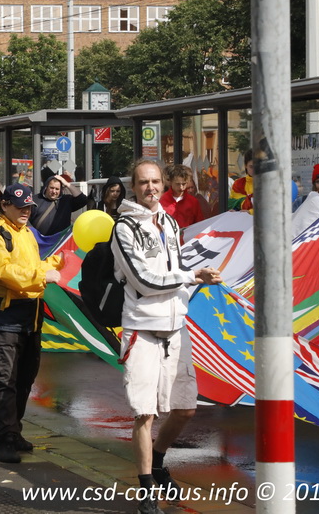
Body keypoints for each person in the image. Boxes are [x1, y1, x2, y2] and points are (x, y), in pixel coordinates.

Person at [111, 159, 222, 514]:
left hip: (177, 328)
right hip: (142, 330)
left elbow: (176, 268)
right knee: (144, 413)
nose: (151, 188)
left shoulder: (170, 222)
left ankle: (157, 461)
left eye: (156, 181)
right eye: (144, 182)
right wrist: (191, 277)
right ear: (133, 186)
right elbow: (144, 281)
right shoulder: (124, 227)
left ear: (163, 183)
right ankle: (147, 491)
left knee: (185, 409)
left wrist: (197, 276)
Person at [0, 183, 63, 464]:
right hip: (0, 318)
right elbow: (3, 271)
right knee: (5, 381)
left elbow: (34, 266)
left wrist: (57, 263)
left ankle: (14, 430)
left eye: (29, 207)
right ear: (4, 205)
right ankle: (4, 441)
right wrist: (42, 276)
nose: (26, 211)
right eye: (20, 206)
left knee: (24, 380)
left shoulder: (26, 233)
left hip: (28, 318)